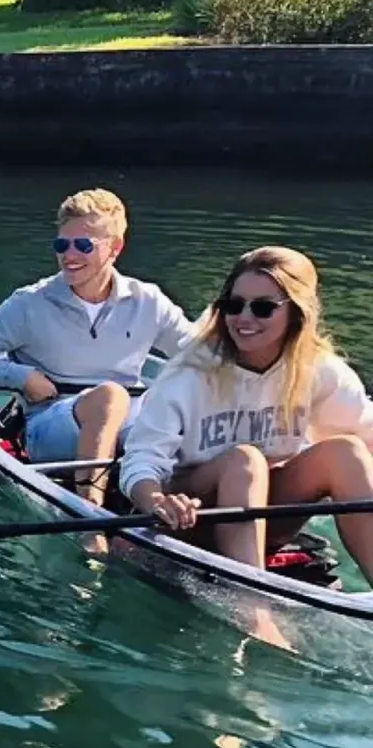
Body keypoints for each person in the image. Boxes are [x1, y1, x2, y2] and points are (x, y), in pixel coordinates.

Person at [121, 246, 373, 629]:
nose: (243, 318)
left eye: (262, 308)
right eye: (233, 305)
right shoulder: (190, 373)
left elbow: (366, 434)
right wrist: (155, 499)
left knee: (347, 453)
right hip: (192, 516)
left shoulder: (321, 371)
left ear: (296, 312)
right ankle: (254, 611)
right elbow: (140, 459)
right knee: (245, 460)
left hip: (264, 514)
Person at [0, 188, 197, 512]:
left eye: (83, 245)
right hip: (50, 428)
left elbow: (197, 354)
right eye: (61, 244)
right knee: (111, 396)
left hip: (131, 429)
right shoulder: (30, 303)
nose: (69, 255)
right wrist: (22, 377)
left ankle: (178, 508)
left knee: (177, 420)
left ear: (115, 248)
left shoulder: (148, 301)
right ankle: (90, 513)